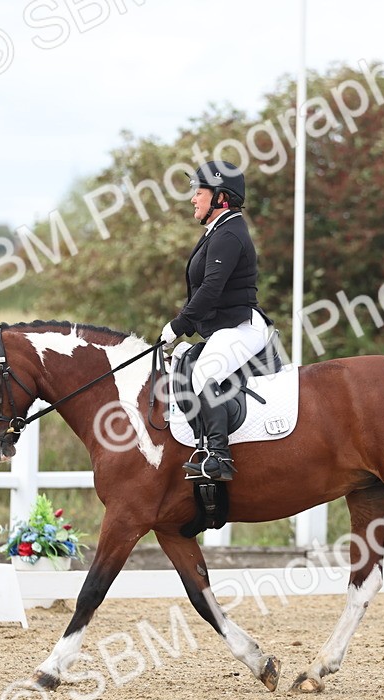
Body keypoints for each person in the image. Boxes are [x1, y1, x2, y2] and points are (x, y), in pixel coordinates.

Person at [160, 161, 273, 481]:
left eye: (200, 191)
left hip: (243, 327)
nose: (193, 198)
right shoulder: (220, 230)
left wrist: (179, 325)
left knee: (207, 371)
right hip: (226, 327)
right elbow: (204, 291)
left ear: (221, 197)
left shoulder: (230, 234)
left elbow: (210, 290)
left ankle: (219, 457)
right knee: (182, 360)